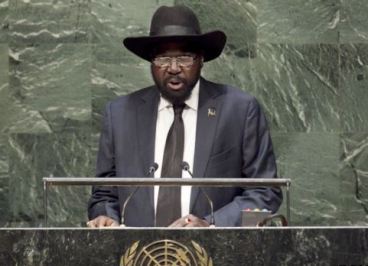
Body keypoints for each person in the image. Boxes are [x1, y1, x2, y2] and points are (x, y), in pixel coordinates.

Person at [87, 5, 282, 228]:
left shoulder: (239, 110)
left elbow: (266, 194)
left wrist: (211, 226)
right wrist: (106, 217)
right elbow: (103, 194)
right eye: (162, 58)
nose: (173, 68)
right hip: (138, 255)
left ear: (201, 59)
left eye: (184, 58)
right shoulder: (120, 114)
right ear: (151, 62)